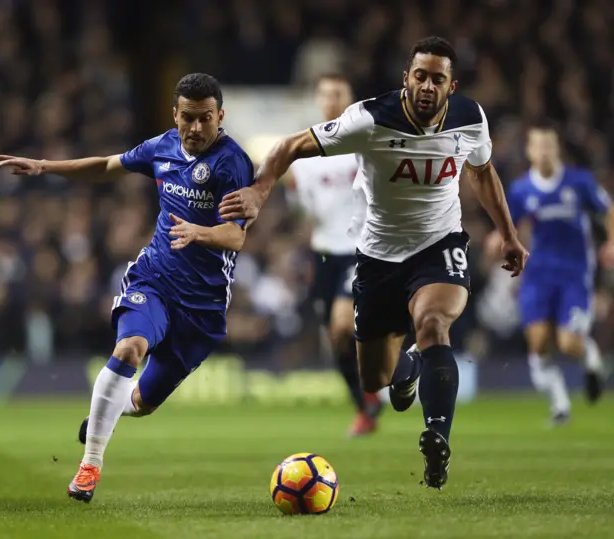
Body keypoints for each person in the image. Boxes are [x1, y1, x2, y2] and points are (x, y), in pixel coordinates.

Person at [219, 36, 529, 489]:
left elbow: (482, 172)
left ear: (451, 85)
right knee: (377, 377)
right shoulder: (368, 118)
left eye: (437, 79)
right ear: (407, 78)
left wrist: (509, 234)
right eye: (419, 76)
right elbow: (290, 145)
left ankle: (437, 436)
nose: (426, 85)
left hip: (439, 243)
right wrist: (259, 191)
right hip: (378, 256)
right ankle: (409, 370)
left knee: (434, 324)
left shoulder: (469, 117)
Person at [0, 73, 254, 502]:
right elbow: (107, 166)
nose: (195, 129)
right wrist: (45, 167)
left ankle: (107, 414)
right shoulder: (162, 147)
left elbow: (236, 235)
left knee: (144, 403)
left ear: (219, 116)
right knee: (129, 346)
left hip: (203, 309)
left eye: (205, 119)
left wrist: (198, 232)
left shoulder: (232, 162)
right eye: (187, 118)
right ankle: (90, 465)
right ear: (175, 115)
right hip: (154, 280)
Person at [491, 122, 614, 426]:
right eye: (538, 146)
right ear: (530, 151)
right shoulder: (521, 189)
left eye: (549, 145)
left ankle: (592, 362)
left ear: (556, 148)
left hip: (575, 273)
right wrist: (499, 239)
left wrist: (612, 241)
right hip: (538, 274)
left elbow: (608, 210)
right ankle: (560, 405)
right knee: (538, 342)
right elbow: (509, 224)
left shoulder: (579, 182)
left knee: (569, 343)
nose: (544, 151)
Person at [288, 73, 382, 437]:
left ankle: (379, 383)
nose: (331, 100)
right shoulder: (306, 153)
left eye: (338, 94)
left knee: (346, 324)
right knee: (336, 338)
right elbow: (304, 213)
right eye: (325, 94)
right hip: (324, 253)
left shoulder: (367, 143)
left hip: (361, 249)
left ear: (351, 98)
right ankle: (366, 406)